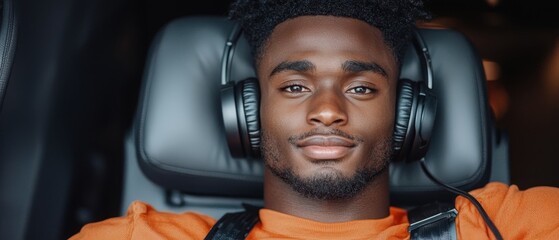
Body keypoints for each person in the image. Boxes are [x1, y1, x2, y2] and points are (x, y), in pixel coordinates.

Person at [70, 0, 559, 239]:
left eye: (362, 87)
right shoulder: (145, 237)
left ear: (409, 115)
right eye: (295, 86)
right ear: (247, 111)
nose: (328, 110)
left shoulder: (498, 225)